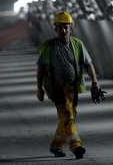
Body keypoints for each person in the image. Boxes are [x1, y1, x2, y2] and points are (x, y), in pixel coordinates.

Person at [36, 11, 102, 159]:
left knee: (68, 118)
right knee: (67, 117)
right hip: (57, 88)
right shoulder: (48, 47)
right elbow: (40, 68)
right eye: (60, 27)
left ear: (71, 28)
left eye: (66, 27)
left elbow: (88, 64)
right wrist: (39, 88)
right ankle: (76, 146)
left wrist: (94, 81)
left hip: (73, 87)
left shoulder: (77, 44)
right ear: (55, 29)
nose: (63, 30)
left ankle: (56, 146)